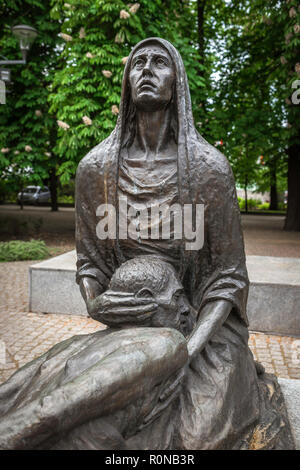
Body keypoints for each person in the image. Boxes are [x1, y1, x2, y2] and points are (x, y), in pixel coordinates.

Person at [75, 37, 293, 449]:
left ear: (178, 83)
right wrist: (95, 301)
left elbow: (228, 279)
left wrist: (185, 351)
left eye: (160, 62)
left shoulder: (210, 169)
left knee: (196, 438)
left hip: (202, 333)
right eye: (138, 63)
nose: (146, 70)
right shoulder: (97, 170)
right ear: (125, 83)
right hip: (134, 326)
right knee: (87, 422)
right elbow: (90, 264)